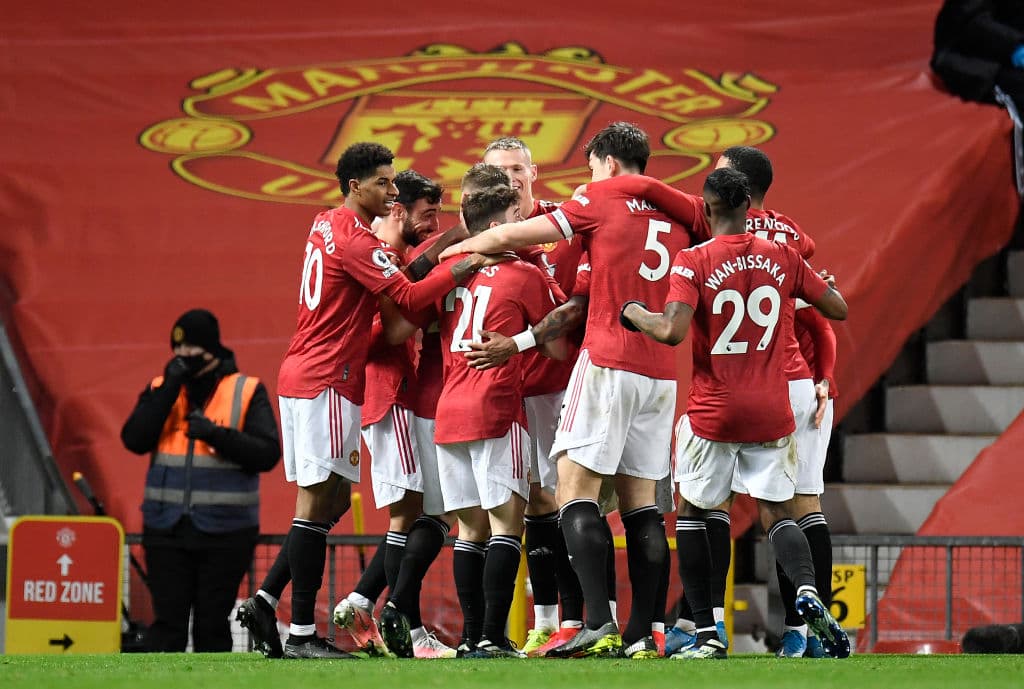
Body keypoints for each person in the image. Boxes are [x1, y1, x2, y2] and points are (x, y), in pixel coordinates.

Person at [441, 122, 705, 659]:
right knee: (642, 508)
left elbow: (515, 236)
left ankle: (596, 621)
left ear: (606, 163)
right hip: (660, 371)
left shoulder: (597, 198)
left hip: (607, 360)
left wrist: (467, 245)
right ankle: (644, 633)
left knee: (570, 494)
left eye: (591, 167)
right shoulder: (683, 213)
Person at [235, 142, 505, 659]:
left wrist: (451, 241)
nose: (392, 190)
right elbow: (405, 298)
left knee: (329, 502)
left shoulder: (324, 222)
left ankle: (268, 599)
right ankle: (302, 635)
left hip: (303, 372)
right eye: (383, 182)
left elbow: (399, 274)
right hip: (330, 378)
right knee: (318, 507)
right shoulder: (357, 242)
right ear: (355, 186)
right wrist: (466, 265)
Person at [619, 167, 851, 659]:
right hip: (772, 409)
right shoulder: (784, 256)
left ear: (706, 210)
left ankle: (705, 633)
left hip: (714, 411)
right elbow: (836, 308)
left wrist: (635, 312)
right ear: (750, 208)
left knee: (699, 512)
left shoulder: (692, 260)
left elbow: (672, 332)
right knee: (779, 513)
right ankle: (807, 591)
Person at [332, 169, 457, 659]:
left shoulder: (400, 259)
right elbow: (393, 331)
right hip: (393, 395)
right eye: (427, 215)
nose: (433, 224)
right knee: (414, 513)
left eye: (439, 217)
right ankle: (403, 620)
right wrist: (457, 249)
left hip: (397, 395)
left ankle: (366, 601)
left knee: (422, 514)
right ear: (399, 210)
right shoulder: (384, 261)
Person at [481, 138, 587, 655]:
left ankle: (575, 619)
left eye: (517, 168)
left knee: (565, 497)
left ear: (534, 172)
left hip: (556, 384)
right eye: (498, 170)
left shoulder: (562, 226)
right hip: (500, 391)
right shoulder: (481, 235)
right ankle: (545, 621)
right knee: (524, 507)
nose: (510, 178)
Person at [120, 309, 280, 652]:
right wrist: (168, 389)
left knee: (211, 624)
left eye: (190, 354)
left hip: (226, 531)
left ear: (210, 352)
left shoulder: (246, 389)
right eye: (177, 354)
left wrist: (215, 435)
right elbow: (134, 439)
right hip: (166, 528)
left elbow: (267, 454)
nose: (182, 361)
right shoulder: (163, 387)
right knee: (168, 626)